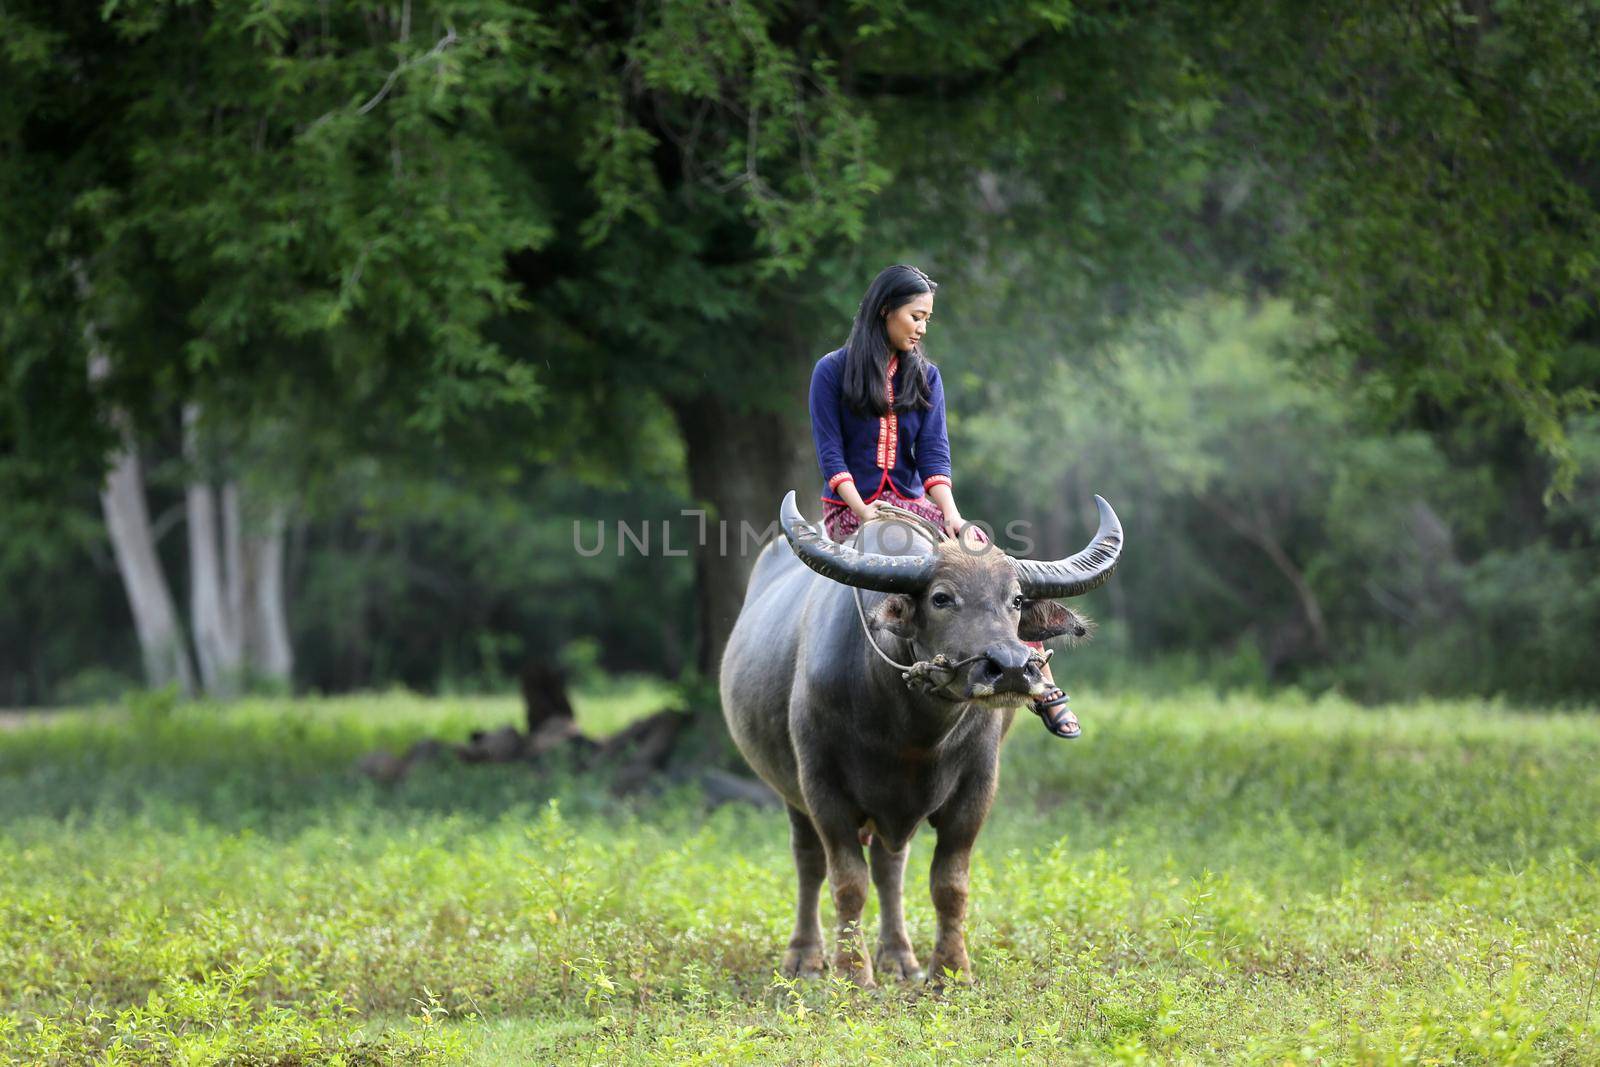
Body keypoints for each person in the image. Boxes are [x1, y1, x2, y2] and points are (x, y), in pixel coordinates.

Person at [808, 263, 1081, 739]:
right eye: (915, 316)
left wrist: (954, 519)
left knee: (987, 560)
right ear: (884, 311)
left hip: (919, 508)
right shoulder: (831, 371)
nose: (921, 328)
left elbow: (933, 457)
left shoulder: (927, 376)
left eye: (927, 319)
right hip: (853, 508)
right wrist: (863, 511)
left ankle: (1043, 684)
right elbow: (831, 456)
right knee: (888, 547)